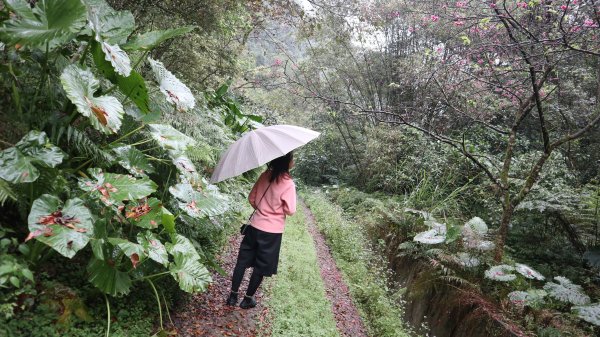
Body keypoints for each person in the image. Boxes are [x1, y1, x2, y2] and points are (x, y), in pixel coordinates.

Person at [226, 152, 297, 309]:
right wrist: (276, 210)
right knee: (261, 266)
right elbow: (291, 210)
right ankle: (247, 299)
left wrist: (262, 210)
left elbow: (252, 198)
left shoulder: (265, 175)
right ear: (286, 162)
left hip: (254, 227)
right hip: (272, 232)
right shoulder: (289, 184)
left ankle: (232, 296)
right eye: (292, 158)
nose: (294, 161)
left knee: (242, 262)